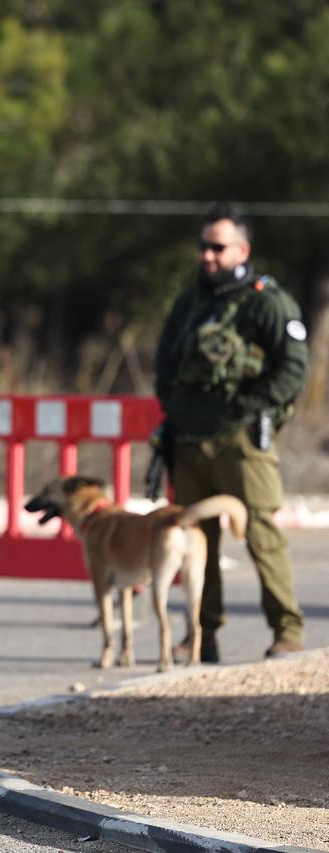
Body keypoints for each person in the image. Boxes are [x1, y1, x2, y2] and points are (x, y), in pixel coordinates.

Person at [153, 201, 308, 664]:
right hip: (189, 439)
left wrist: (244, 408)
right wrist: (175, 412)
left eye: (217, 247)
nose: (207, 256)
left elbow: (292, 371)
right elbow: (165, 365)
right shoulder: (191, 302)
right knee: (194, 538)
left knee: (261, 532)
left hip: (240, 441)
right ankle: (202, 635)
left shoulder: (267, 301)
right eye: (203, 246)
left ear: (242, 250)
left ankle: (287, 631)